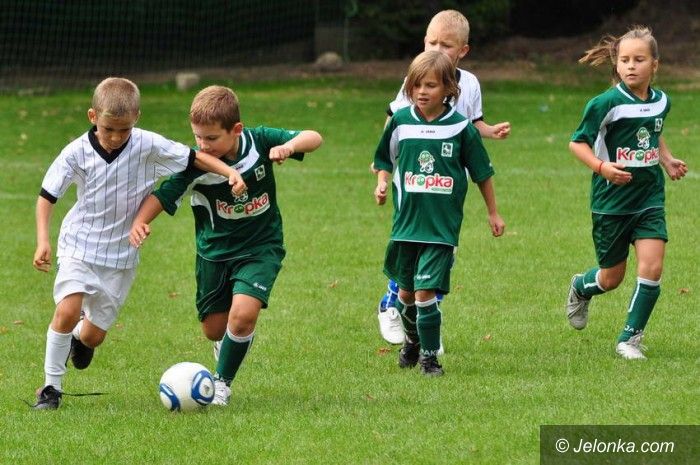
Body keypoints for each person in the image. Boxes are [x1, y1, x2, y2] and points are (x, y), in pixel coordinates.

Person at [31, 77, 247, 410]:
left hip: (121, 255)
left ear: (137, 118)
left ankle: (79, 337)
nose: (116, 137)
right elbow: (47, 196)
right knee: (68, 309)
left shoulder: (148, 145)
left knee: (93, 336)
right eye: (108, 129)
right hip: (79, 246)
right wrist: (42, 240)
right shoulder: (75, 152)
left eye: (125, 130)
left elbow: (195, 158)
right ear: (93, 116)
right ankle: (50, 389)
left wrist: (229, 173)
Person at [129, 85, 322, 406]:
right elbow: (163, 195)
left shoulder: (259, 140)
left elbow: (313, 137)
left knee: (243, 316)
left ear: (236, 130)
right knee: (213, 330)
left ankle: (221, 383)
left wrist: (288, 147)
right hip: (214, 254)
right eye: (198, 137)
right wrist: (140, 221)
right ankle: (230, 341)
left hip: (261, 247)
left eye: (211, 138)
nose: (203, 145)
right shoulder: (196, 165)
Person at [376, 9, 511, 345]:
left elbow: (473, 124)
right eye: (431, 42)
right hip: (414, 182)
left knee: (442, 254)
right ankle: (391, 305)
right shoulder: (416, 79)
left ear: (463, 50)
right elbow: (395, 120)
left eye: (446, 45)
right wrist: (385, 162)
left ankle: (422, 320)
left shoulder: (470, 84)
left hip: (448, 184)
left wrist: (490, 131)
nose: (437, 49)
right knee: (412, 244)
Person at [565, 26, 688, 360]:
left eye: (639, 59)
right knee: (611, 278)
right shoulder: (605, 103)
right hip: (611, 204)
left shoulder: (661, 101)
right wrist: (602, 167)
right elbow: (577, 143)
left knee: (652, 267)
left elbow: (652, 131)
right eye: (624, 60)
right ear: (616, 64)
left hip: (649, 199)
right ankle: (581, 287)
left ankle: (630, 339)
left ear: (655, 64)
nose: (631, 66)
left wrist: (666, 159)